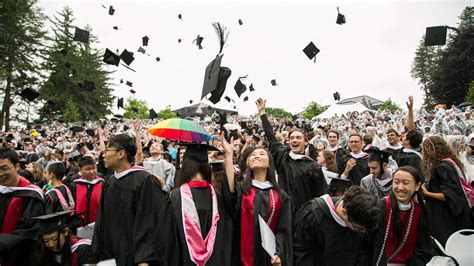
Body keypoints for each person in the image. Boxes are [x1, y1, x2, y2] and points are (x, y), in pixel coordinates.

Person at [91, 134, 165, 265]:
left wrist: (145, 259)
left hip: (134, 256)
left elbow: (150, 222)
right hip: (111, 255)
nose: (104, 154)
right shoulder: (109, 182)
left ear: (121, 154)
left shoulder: (145, 180)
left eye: (108, 150)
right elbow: (101, 221)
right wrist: (96, 253)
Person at [157, 143, 233, 266]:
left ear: (185, 166)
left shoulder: (175, 198)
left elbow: (165, 242)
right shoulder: (219, 198)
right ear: (207, 167)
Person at [222, 137, 292, 266]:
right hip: (240, 256)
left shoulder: (281, 196)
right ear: (248, 163)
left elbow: (283, 229)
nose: (256, 156)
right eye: (252, 155)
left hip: (268, 257)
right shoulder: (242, 189)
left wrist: (279, 253)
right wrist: (228, 154)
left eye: (261, 154)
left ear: (269, 163)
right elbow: (229, 191)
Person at [256, 98, 325, 214]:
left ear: (306, 142)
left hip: (305, 215)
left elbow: (320, 195)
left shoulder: (313, 166)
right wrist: (262, 113)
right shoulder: (283, 156)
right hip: (283, 212)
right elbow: (271, 137)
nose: (294, 140)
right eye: (292, 138)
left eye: (298, 138)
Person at [293, 186, 380, 266]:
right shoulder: (312, 216)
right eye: (359, 229)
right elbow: (302, 254)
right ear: (345, 213)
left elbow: (363, 252)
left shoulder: (362, 219)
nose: (363, 233)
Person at [369, 166, 432, 266]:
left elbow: (423, 248)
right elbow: (369, 243)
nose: (400, 187)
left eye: (405, 183)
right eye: (396, 182)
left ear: (417, 186)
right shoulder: (381, 207)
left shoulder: (420, 211)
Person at [420, 135, 472, 246]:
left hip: (446, 216)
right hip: (454, 214)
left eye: (424, 149)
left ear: (432, 150)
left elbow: (449, 195)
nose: (423, 153)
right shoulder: (451, 162)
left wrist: (426, 193)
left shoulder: (443, 167)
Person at [0, 148, 44, 238]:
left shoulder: (31, 194)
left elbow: (30, 231)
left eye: (4, 168)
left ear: (17, 166)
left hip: (17, 248)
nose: (0, 173)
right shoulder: (2, 190)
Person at [68, 156, 103, 226]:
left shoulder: (102, 183)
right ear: (80, 170)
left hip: (99, 224)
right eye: (88, 169)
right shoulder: (74, 186)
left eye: (94, 168)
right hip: (79, 225)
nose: (92, 172)